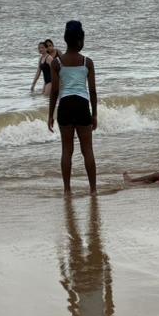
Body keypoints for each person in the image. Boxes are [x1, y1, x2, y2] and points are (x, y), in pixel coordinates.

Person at [47, 19, 98, 194]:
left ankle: (67, 190)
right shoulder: (87, 62)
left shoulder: (57, 63)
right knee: (87, 150)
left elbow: (54, 91)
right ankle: (93, 189)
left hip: (65, 106)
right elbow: (92, 91)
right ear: (80, 40)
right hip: (82, 105)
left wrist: (50, 115)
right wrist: (95, 114)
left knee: (66, 151)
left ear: (65, 39)